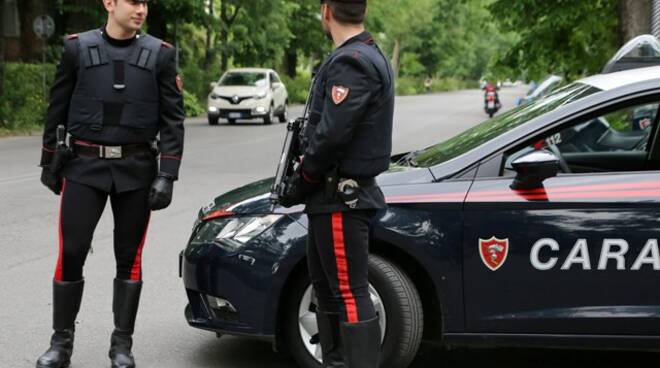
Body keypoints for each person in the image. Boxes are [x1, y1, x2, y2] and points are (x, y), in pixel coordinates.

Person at [36, 0, 184, 367]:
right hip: (84, 167)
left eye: (145, 3)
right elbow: (58, 106)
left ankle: (122, 345)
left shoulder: (161, 55)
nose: (141, 9)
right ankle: (61, 344)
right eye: (133, 1)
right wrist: (48, 160)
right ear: (109, 3)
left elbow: (173, 120)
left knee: (129, 257)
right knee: (71, 251)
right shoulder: (76, 49)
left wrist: (167, 174)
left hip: (136, 169)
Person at [285, 0, 394, 366]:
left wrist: (304, 177)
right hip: (331, 197)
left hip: (339, 197)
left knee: (348, 293)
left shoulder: (352, 61)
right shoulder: (366, 53)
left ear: (326, 10)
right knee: (329, 292)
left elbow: (331, 135)